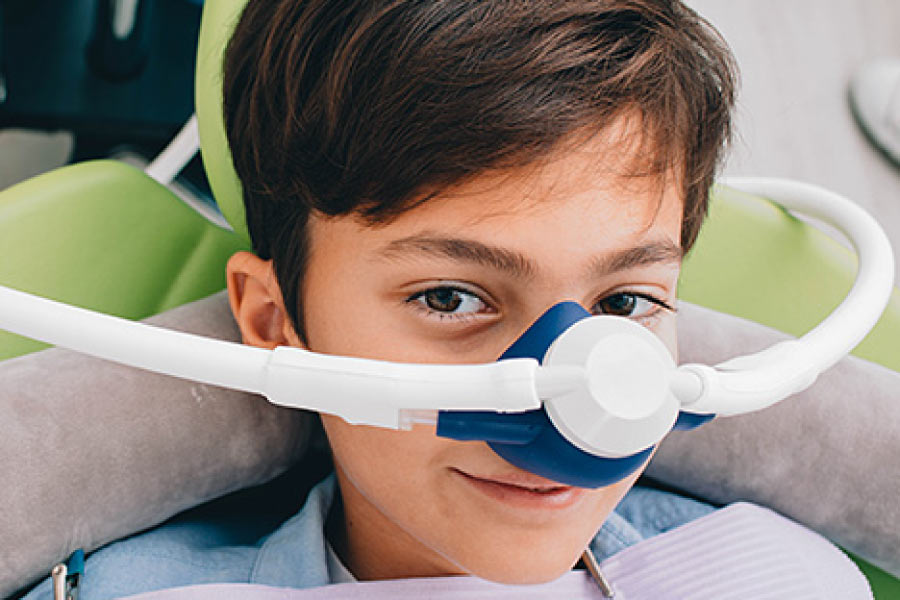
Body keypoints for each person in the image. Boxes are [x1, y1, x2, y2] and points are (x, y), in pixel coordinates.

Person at [25, 0, 833, 597]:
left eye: (623, 304)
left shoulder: (776, 577)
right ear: (274, 322)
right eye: (450, 297)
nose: (569, 401)